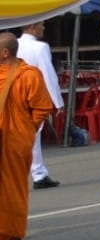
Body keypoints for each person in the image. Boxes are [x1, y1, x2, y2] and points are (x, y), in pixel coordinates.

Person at [0, 32, 57, 240]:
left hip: (15, 141)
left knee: (14, 190)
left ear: (5, 52)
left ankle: (15, 238)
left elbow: (43, 107)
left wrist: (25, 129)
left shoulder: (29, 75)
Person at [18, 21, 60, 189]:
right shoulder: (40, 47)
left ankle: (38, 173)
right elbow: (48, 74)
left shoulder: (14, 44)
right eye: (41, 25)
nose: (43, 28)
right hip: (34, 96)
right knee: (33, 136)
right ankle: (38, 174)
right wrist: (56, 101)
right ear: (33, 27)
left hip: (14, 95)